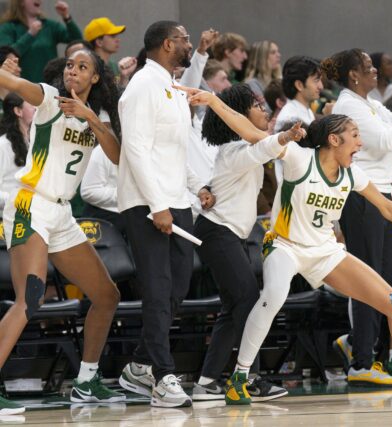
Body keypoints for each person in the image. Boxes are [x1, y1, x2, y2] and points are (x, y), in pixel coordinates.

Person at [176, 82, 392, 401]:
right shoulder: (299, 159)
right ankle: (240, 377)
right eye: (355, 136)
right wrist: (214, 100)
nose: (361, 143)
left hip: (324, 252)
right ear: (334, 140)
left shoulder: (352, 175)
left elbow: (389, 209)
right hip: (284, 245)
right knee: (272, 296)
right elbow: (252, 133)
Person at [0, 47, 125, 414]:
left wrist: (91, 118)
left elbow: (117, 157)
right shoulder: (49, 97)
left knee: (107, 295)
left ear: (95, 77)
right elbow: (9, 82)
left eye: (82, 66)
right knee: (31, 298)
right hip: (30, 203)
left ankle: (86, 381)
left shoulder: (95, 116)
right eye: (70, 65)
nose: (73, 70)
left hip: (61, 213)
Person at [116, 21, 214, 408]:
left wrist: (195, 186)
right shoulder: (142, 86)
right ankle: (162, 377)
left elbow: (175, 149)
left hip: (175, 199)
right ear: (168, 44)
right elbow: (136, 149)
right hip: (146, 203)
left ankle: (139, 365)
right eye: (186, 39)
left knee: (178, 287)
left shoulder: (173, 86)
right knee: (157, 289)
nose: (190, 44)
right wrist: (156, 205)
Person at [184, 83, 304, 402]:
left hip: (230, 235)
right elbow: (266, 147)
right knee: (249, 299)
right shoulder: (236, 150)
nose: (264, 111)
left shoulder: (238, 148)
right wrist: (286, 136)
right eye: (257, 105)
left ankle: (207, 382)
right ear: (238, 114)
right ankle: (247, 377)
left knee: (234, 306)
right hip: (216, 232)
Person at [329, 48, 392, 385]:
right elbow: (386, 142)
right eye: (369, 67)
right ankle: (361, 363)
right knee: (368, 281)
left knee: (384, 279)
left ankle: (360, 346)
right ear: (354, 75)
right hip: (360, 197)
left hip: (382, 196)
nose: (376, 71)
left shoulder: (369, 104)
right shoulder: (349, 106)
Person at [0, 0, 81, 82]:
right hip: (21, 87)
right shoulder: (8, 28)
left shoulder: (49, 25)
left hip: (51, 86)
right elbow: (5, 56)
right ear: (21, 2)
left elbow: (78, 41)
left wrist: (66, 17)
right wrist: (30, 35)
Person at [0, 93, 34, 214]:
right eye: (32, 105)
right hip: (7, 219)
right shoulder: (3, 146)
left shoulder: (35, 144)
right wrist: (17, 199)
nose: (37, 108)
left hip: (34, 217)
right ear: (18, 111)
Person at [275, 55, 322, 131]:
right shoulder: (290, 118)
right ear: (299, 85)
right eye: (316, 80)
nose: (321, 86)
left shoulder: (306, 110)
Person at [244, 40, 281, 113]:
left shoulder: (279, 79)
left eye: (277, 51)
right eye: (273, 52)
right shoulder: (252, 84)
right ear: (262, 57)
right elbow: (264, 110)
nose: (278, 55)